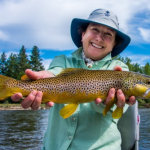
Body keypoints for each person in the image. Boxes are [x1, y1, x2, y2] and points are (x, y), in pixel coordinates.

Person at [12, 8, 136, 150]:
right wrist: (46, 78)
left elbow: (117, 107)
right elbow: (55, 73)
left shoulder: (121, 71)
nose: (99, 38)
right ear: (83, 34)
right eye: (95, 30)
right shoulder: (62, 60)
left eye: (108, 34)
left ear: (114, 44)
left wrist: (106, 103)